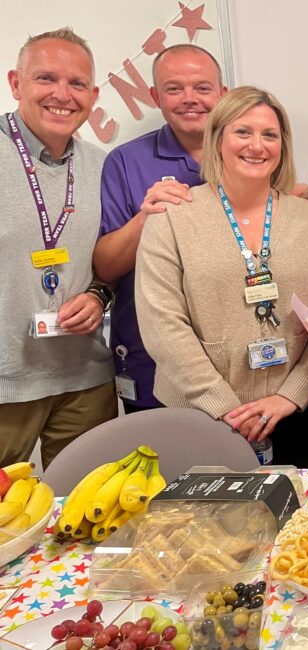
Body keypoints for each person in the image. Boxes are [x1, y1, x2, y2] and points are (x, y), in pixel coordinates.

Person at [135, 86, 308, 467]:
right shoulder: (173, 217)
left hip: (294, 416)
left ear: (282, 145)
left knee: (299, 522)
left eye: (269, 135)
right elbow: (162, 323)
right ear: (217, 138)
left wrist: (292, 394)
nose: (257, 145)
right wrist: (221, 404)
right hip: (197, 415)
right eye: (243, 132)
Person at [0, 28, 116, 468]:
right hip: (6, 379)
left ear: (93, 94)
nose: (62, 95)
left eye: (77, 84)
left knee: (86, 518)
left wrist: (98, 295)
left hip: (84, 378)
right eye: (46, 78)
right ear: (16, 83)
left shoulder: (103, 166)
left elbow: (113, 265)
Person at [94, 44, 227, 413]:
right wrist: (146, 217)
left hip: (235, 352)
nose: (190, 99)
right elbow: (105, 267)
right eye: (174, 89)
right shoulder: (125, 161)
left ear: (223, 94)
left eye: (202, 88)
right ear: (155, 96)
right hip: (151, 353)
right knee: (162, 463)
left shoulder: (248, 154)